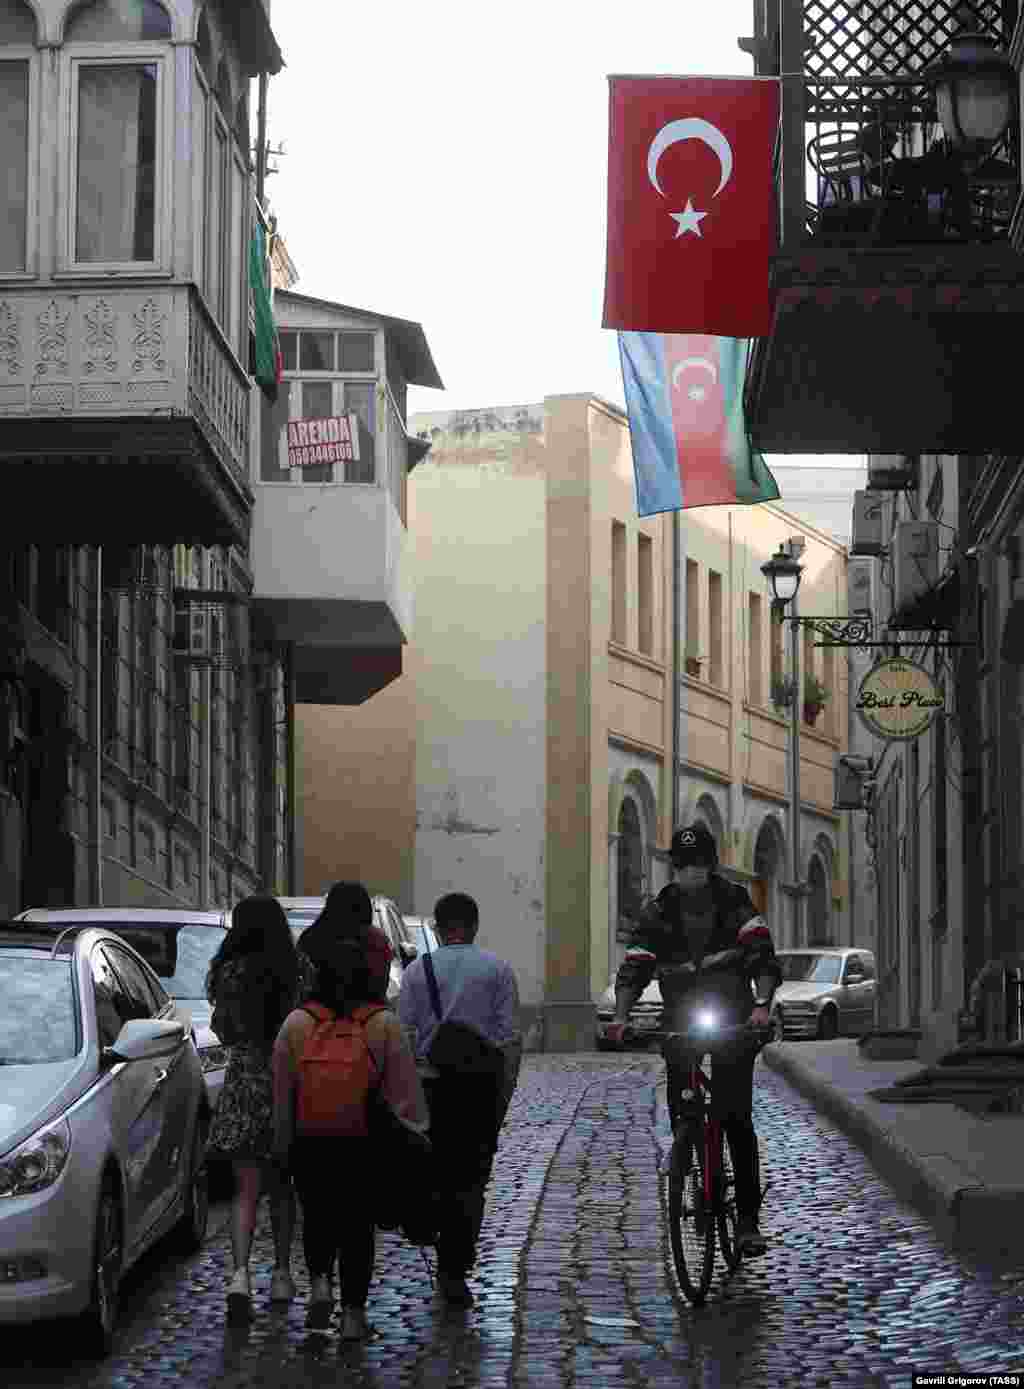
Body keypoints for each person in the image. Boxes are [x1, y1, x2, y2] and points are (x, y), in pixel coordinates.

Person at [605, 823, 782, 1257]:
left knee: (736, 1115)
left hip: (733, 1019)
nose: (691, 873)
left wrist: (761, 1005)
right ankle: (688, 1151)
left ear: (712, 866)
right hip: (681, 1018)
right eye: (683, 866)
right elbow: (634, 967)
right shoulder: (659, 911)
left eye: (698, 865)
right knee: (682, 1103)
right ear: (675, 868)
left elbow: (761, 955)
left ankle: (746, 1221)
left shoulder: (735, 902)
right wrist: (620, 1016)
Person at [271, 930, 429, 1340]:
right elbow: (405, 1098)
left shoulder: (296, 1024)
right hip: (364, 1143)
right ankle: (353, 1316)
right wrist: (414, 1138)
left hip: (310, 1139)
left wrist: (283, 1148)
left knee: (318, 1215)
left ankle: (321, 1284)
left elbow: (282, 1093)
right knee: (357, 1227)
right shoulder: (383, 1025)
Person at [398, 892, 522, 1307]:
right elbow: (508, 1038)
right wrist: (505, 1091)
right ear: (474, 926)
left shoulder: (417, 971)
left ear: (437, 927)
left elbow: (406, 1036)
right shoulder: (498, 970)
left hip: (433, 1088)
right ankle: (456, 1266)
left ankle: (440, 1245)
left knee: (437, 1172)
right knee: (472, 1179)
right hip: (480, 1090)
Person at [205, 895, 300, 1320]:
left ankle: (240, 1275)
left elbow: (221, 1031)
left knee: (245, 1187)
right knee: (282, 1187)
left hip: (244, 1080)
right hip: (287, 1081)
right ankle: (281, 1273)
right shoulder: (297, 968)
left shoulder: (229, 971)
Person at [295, 880, 393, 1004]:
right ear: (365, 907)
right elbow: (381, 983)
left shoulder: (311, 937)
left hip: (318, 1014)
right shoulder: (375, 940)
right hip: (366, 1015)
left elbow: (301, 980)